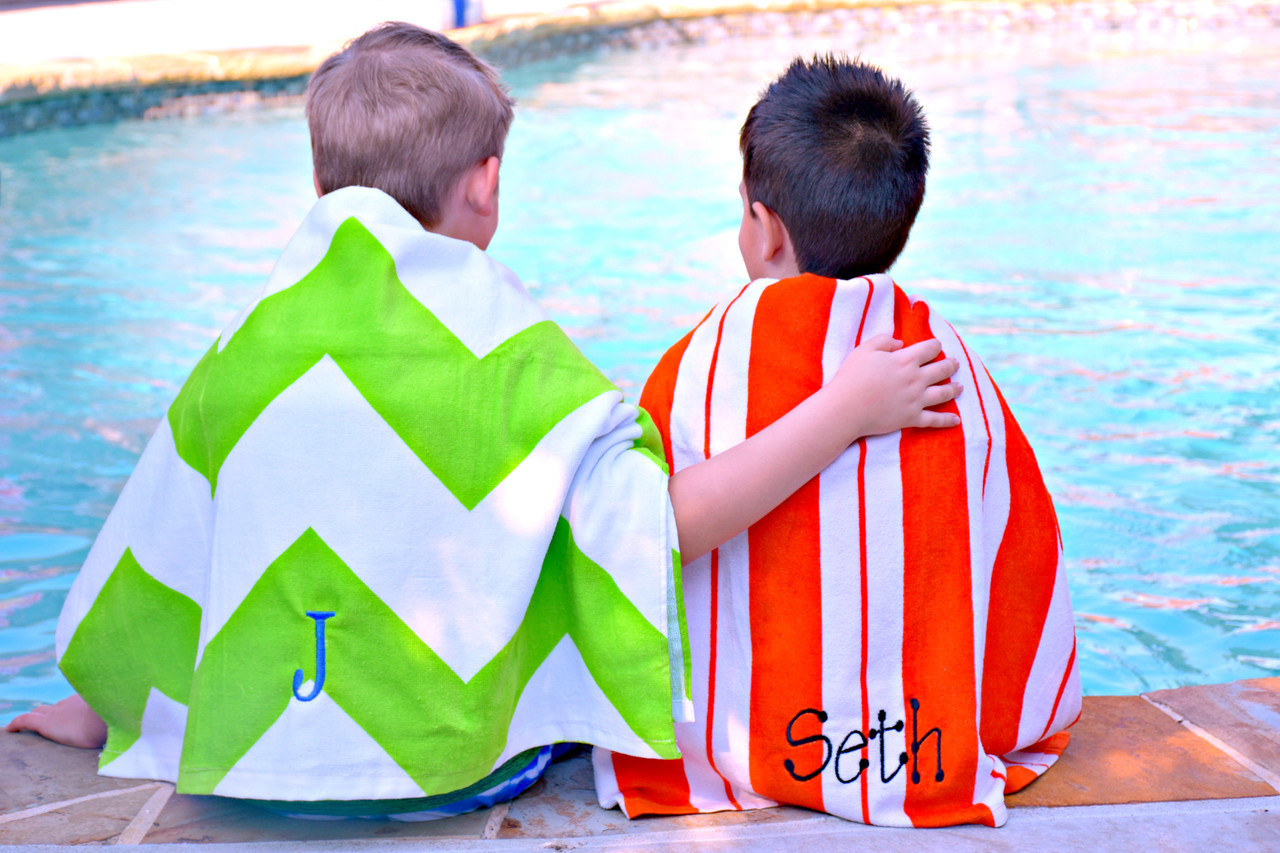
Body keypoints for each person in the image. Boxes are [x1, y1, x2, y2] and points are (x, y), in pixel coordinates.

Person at [6, 27, 961, 820]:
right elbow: (661, 525)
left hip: (253, 766)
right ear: (485, 185)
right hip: (455, 769)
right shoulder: (506, 357)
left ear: (323, 184)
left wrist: (105, 707)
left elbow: (165, 545)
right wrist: (844, 410)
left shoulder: (242, 350)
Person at [593, 55, 1081, 828]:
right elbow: (1020, 539)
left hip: (735, 744)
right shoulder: (947, 360)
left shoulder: (705, 362)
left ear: (766, 230)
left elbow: (647, 530)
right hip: (915, 746)